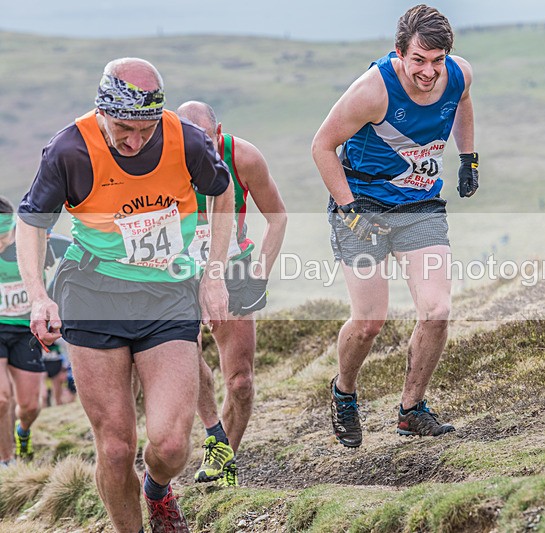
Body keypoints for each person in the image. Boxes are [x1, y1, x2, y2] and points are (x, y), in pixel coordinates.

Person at [16, 58, 234, 533]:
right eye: (123, 129)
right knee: (115, 448)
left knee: (172, 445)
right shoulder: (70, 150)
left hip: (167, 293)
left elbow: (223, 192)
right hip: (93, 292)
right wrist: (38, 295)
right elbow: (31, 220)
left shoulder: (186, 141)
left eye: (145, 129)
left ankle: (157, 489)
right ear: (102, 112)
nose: (135, 141)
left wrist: (213, 273)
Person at [311, 4, 479, 448]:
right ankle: (343, 391)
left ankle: (411, 410)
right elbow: (322, 147)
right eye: (418, 60)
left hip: (419, 205)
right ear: (399, 52)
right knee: (370, 321)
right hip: (362, 203)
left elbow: (462, 102)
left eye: (437, 60)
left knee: (437, 311)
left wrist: (468, 157)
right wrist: (349, 209)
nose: (428, 72)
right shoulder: (372, 91)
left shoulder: (458, 74)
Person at [176, 101, 287, 487]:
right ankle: (214, 437)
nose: (197, 153)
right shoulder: (158, 161)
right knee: (188, 368)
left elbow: (278, 217)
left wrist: (261, 272)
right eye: (188, 143)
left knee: (240, 382)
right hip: (178, 272)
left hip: (234, 266)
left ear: (218, 131)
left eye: (205, 140)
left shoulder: (243, 157)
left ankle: (226, 459)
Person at [0, 197, 65, 464]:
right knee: (1, 400)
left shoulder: (33, 241)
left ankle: (22, 432)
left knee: (29, 406)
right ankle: (6, 462)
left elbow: (71, 250)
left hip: (26, 330)